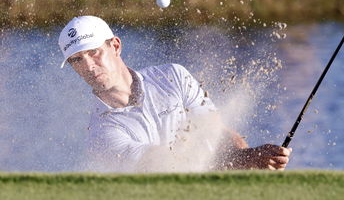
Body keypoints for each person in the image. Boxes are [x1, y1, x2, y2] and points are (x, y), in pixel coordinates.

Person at [58, 15, 292, 172]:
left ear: (115, 46)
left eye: (94, 52)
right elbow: (173, 167)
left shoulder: (172, 76)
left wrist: (250, 165)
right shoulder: (102, 135)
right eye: (77, 60)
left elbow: (219, 134)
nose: (88, 66)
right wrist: (246, 160)